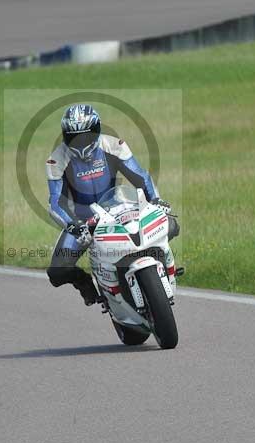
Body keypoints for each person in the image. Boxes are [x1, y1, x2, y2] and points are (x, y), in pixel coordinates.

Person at [45, 104, 179, 305]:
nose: (81, 143)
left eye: (87, 135)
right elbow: (55, 202)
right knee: (57, 271)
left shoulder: (114, 145)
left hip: (118, 207)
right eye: (74, 137)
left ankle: (162, 271)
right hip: (83, 221)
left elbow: (141, 178)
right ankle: (85, 283)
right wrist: (73, 226)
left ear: (97, 130)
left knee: (172, 225)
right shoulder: (56, 160)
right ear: (65, 136)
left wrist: (155, 201)